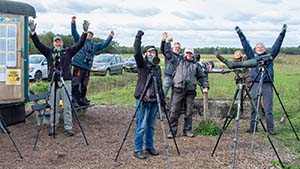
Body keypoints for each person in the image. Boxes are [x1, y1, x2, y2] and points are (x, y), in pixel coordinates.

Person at [28, 19, 89, 136]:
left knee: (67, 106)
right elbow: (38, 44)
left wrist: (84, 33)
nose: (57, 43)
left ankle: (68, 127)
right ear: (53, 43)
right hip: (53, 81)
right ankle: (53, 126)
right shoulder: (49, 52)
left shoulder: (68, 52)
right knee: (54, 106)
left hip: (66, 81)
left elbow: (79, 44)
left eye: (59, 41)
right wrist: (33, 33)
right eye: (55, 42)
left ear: (62, 42)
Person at [236, 24, 287, 135]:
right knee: (254, 107)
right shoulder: (253, 57)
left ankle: (270, 129)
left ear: (265, 49)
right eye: (258, 47)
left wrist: (282, 33)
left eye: (262, 47)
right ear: (255, 49)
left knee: (268, 108)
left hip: (267, 84)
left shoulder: (269, 56)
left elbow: (276, 46)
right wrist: (240, 34)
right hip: (255, 83)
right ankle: (253, 127)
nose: (260, 48)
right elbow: (246, 47)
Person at [164, 35, 209, 138]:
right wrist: (167, 43)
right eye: (187, 53)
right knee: (174, 111)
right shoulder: (177, 61)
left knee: (189, 112)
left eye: (190, 53)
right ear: (184, 53)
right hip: (178, 89)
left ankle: (187, 130)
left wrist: (205, 86)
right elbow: (168, 53)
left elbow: (202, 77)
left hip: (190, 91)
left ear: (193, 54)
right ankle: (172, 131)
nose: (188, 54)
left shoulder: (196, 65)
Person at [132, 30, 164, 159]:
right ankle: (137, 148)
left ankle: (149, 146)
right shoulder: (142, 65)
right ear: (146, 54)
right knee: (141, 126)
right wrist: (138, 37)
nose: (152, 54)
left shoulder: (157, 68)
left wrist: (162, 99)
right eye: (150, 52)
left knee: (151, 126)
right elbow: (136, 52)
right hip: (143, 99)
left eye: (154, 52)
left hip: (154, 100)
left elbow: (159, 84)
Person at [71, 16, 114, 106]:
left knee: (84, 84)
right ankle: (74, 100)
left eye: (91, 36)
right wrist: (73, 22)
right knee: (75, 83)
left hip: (87, 67)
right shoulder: (80, 40)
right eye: (88, 35)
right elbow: (74, 33)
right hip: (78, 65)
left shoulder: (94, 45)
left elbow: (104, 44)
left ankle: (82, 99)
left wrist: (110, 37)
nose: (89, 36)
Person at [160, 32, 182, 98]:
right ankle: (160, 106)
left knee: (175, 95)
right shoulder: (168, 54)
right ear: (173, 48)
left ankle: (172, 107)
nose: (177, 48)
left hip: (177, 78)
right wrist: (164, 41)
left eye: (178, 48)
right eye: (175, 47)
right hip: (168, 76)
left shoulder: (181, 57)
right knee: (164, 92)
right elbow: (163, 49)